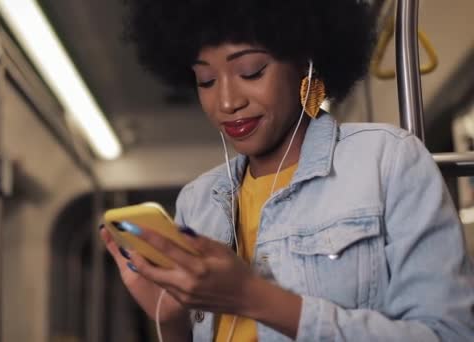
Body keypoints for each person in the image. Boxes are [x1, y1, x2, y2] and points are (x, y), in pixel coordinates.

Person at [99, 0, 474, 341]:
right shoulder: (197, 202)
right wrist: (170, 318)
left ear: (305, 64)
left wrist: (254, 297)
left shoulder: (387, 161)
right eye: (206, 81)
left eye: (251, 71)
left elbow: (450, 334)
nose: (227, 101)